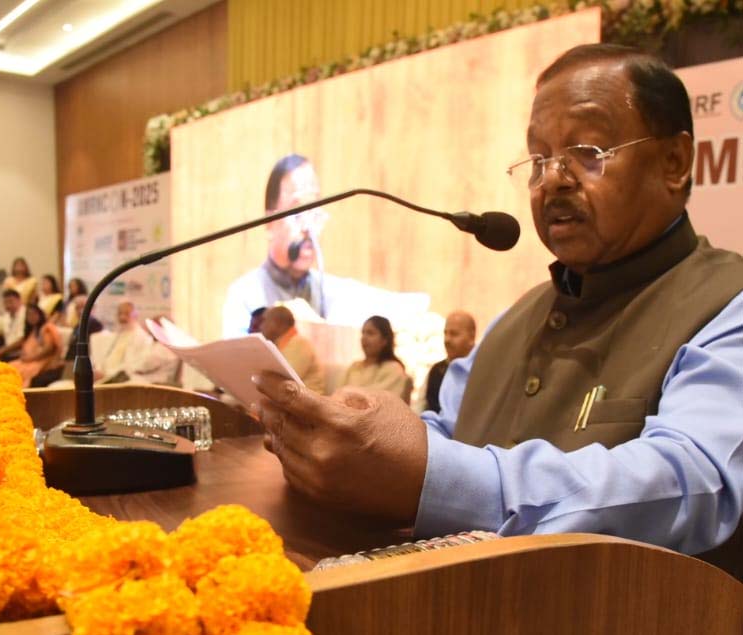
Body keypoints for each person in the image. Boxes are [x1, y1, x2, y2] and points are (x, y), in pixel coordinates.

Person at [253, 44, 743, 578]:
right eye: (538, 159)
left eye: (587, 150)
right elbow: (444, 431)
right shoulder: (518, 317)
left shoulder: (727, 303)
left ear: (674, 163)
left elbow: (696, 478)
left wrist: (435, 477)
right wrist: (356, 441)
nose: (553, 178)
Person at [222, 155, 427, 338]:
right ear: (269, 222)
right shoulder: (245, 294)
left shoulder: (333, 292)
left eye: (315, 212)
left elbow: (410, 306)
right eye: (297, 212)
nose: (309, 228)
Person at [341, 316, 411, 399]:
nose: (364, 338)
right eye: (363, 333)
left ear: (384, 340)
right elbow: (339, 394)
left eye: (370, 333)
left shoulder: (393, 369)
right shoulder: (354, 366)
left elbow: (379, 400)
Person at [260, 306, 325, 394]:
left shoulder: (299, 344)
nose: (261, 326)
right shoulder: (282, 343)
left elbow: (284, 379)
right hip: (289, 398)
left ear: (278, 323)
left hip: (306, 400)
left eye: (265, 321)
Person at [422, 311, 476, 413]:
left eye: (454, 334)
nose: (447, 340)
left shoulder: (482, 370)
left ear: (471, 337)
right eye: (445, 333)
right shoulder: (437, 371)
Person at [90, 301, 154, 384]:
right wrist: (99, 371)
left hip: (123, 380)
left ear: (135, 315)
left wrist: (107, 375)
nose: (122, 317)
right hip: (105, 377)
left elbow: (134, 365)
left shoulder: (143, 338)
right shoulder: (118, 334)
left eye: (126, 314)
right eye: (120, 313)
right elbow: (106, 357)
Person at [9, 305, 63, 388]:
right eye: (29, 315)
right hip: (30, 361)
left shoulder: (46, 328)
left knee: (20, 372)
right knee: (9, 368)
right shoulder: (33, 330)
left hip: (44, 361)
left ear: (40, 314)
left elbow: (48, 349)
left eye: (34, 314)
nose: (31, 317)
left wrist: (31, 358)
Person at [0, 289, 26, 362]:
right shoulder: (5, 317)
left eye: (10, 301)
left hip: (22, 354)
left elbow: (22, 340)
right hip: (8, 354)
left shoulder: (26, 314)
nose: (8, 305)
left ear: (19, 300)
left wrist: (1, 351)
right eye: (5, 302)